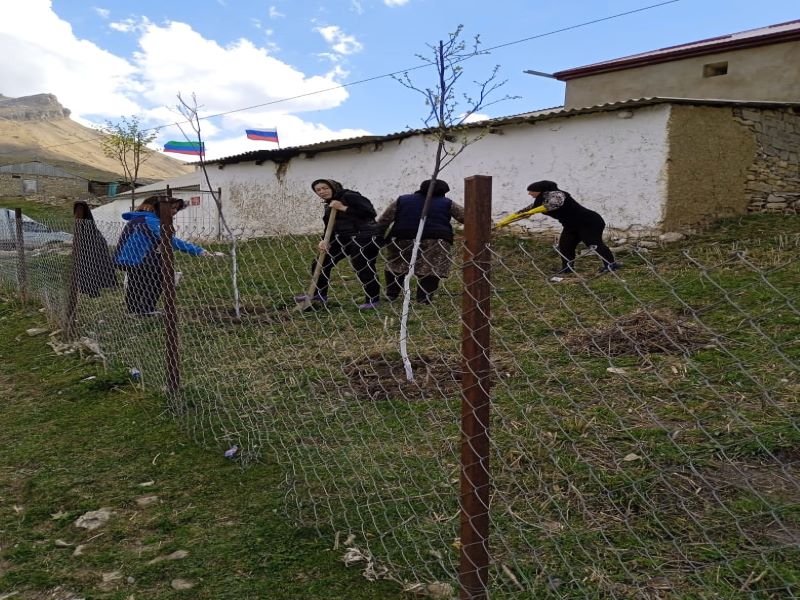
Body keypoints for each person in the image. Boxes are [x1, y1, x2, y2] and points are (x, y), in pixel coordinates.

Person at [114, 195, 212, 315]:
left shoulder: (140, 218)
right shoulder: (151, 220)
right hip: (141, 258)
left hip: (130, 258)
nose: (175, 211)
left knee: (136, 282)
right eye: (172, 207)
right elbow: (169, 240)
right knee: (158, 279)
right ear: (159, 208)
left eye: (177, 209)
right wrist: (198, 250)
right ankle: (146, 309)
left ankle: (133, 310)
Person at [295, 179, 383, 310]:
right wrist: (324, 240)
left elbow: (370, 212)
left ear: (333, 187)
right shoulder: (329, 205)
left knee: (361, 264)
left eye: (325, 188)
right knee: (320, 262)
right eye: (318, 190)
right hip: (343, 237)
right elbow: (329, 226)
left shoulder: (350, 196)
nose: (322, 192)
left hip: (365, 235)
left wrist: (343, 208)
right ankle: (319, 294)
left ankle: (372, 299)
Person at [377, 179, 464, 304]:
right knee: (432, 266)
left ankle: (391, 294)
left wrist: (379, 236)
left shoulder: (402, 200)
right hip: (436, 239)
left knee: (396, 264)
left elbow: (384, 219)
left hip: (402, 237)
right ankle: (424, 298)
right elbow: (466, 217)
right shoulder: (446, 202)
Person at [518, 180, 620, 275]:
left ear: (539, 191)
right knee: (565, 245)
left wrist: (533, 211)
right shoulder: (541, 200)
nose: (529, 194)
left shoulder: (558, 195)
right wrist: (509, 220)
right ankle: (567, 268)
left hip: (588, 221)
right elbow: (526, 211)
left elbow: (553, 205)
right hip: (571, 225)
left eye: (531, 191)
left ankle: (611, 265)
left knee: (593, 242)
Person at [73, 201, 118, 297]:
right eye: (77, 210)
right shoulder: (81, 224)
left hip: (93, 249)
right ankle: (87, 290)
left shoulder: (88, 225)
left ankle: (93, 291)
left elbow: (89, 239)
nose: (78, 213)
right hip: (87, 250)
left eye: (80, 210)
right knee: (86, 269)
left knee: (92, 269)